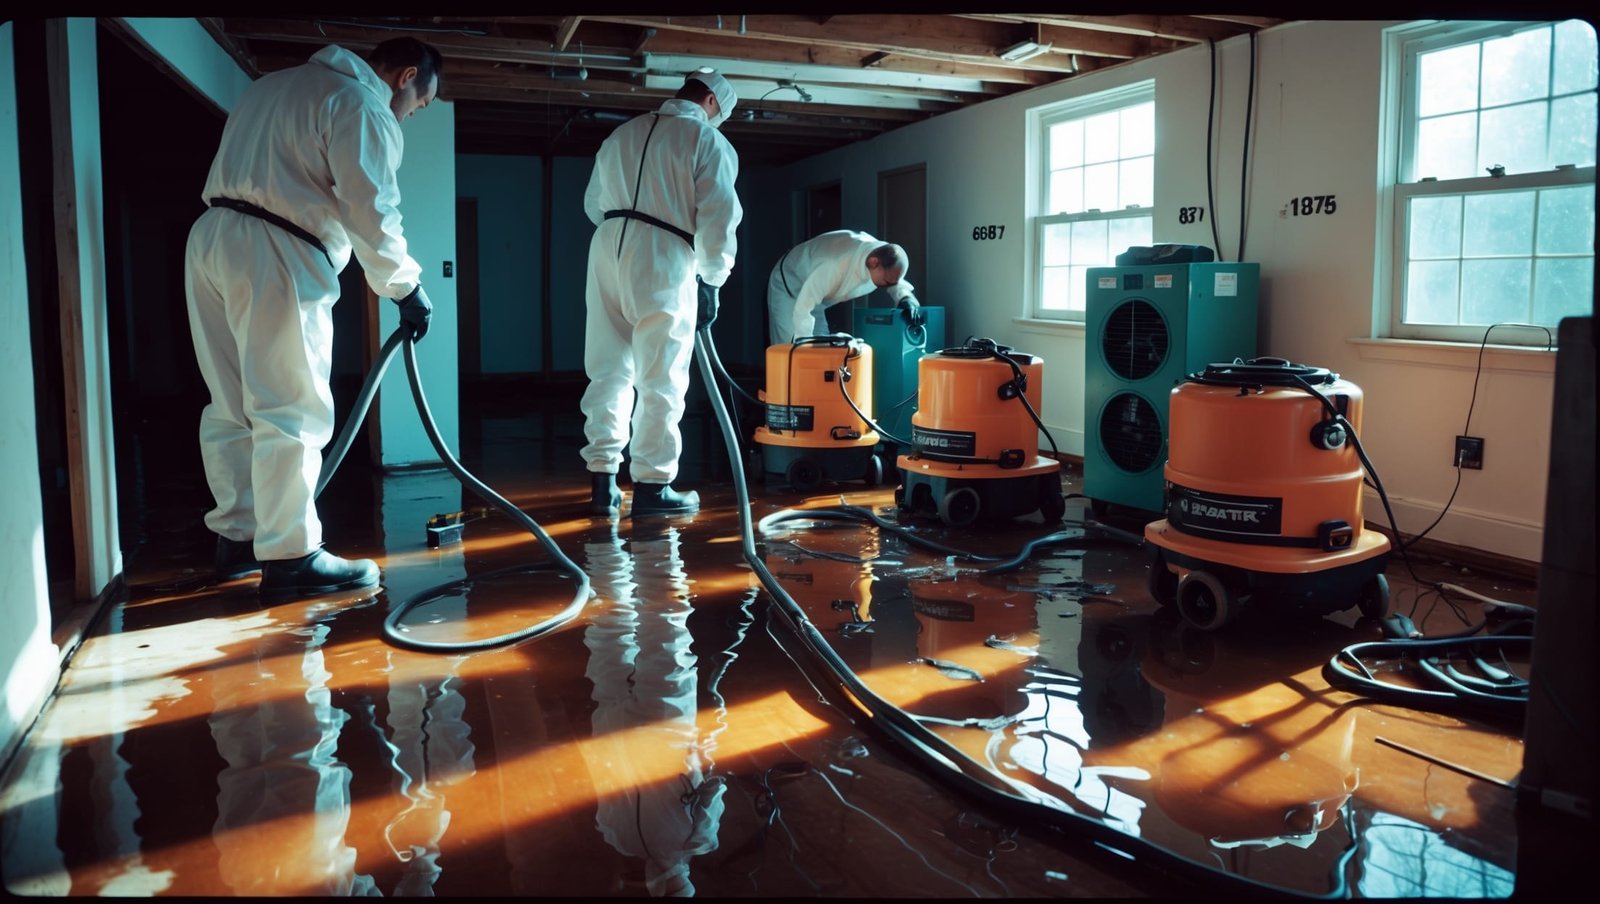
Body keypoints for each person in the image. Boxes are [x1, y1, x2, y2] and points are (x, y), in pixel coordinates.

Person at [184, 38, 441, 597]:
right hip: (278, 247)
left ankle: (238, 539)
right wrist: (406, 287)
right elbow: (371, 208)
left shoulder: (270, 86)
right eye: (420, 105)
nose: (412, 116)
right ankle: (292, 556)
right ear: (405, 77)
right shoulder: (359, 104)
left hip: (211, 239)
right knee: (290, 408)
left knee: (231, 404)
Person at [579, 70, 742, 518]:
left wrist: (627, 228)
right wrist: (712, 279)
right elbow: (718, 218)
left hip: (607, 246)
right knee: (661, 374)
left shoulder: (620, 134)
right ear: (710, 101)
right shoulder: (707, 142)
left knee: (608, 368)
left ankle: (603, 484)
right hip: (663, 254)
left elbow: (593, 204)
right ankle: (653, 488)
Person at [767, 230, 923, 345]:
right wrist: (801, 346)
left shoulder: (881, 253)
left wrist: (906, 298)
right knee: (788, 348)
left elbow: (893, 278)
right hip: (789, 283)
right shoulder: (836, 264)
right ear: (874, 262)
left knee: (822, 348)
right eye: (888, 282)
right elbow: (804, 305)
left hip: (817, 294)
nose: (890, 287)